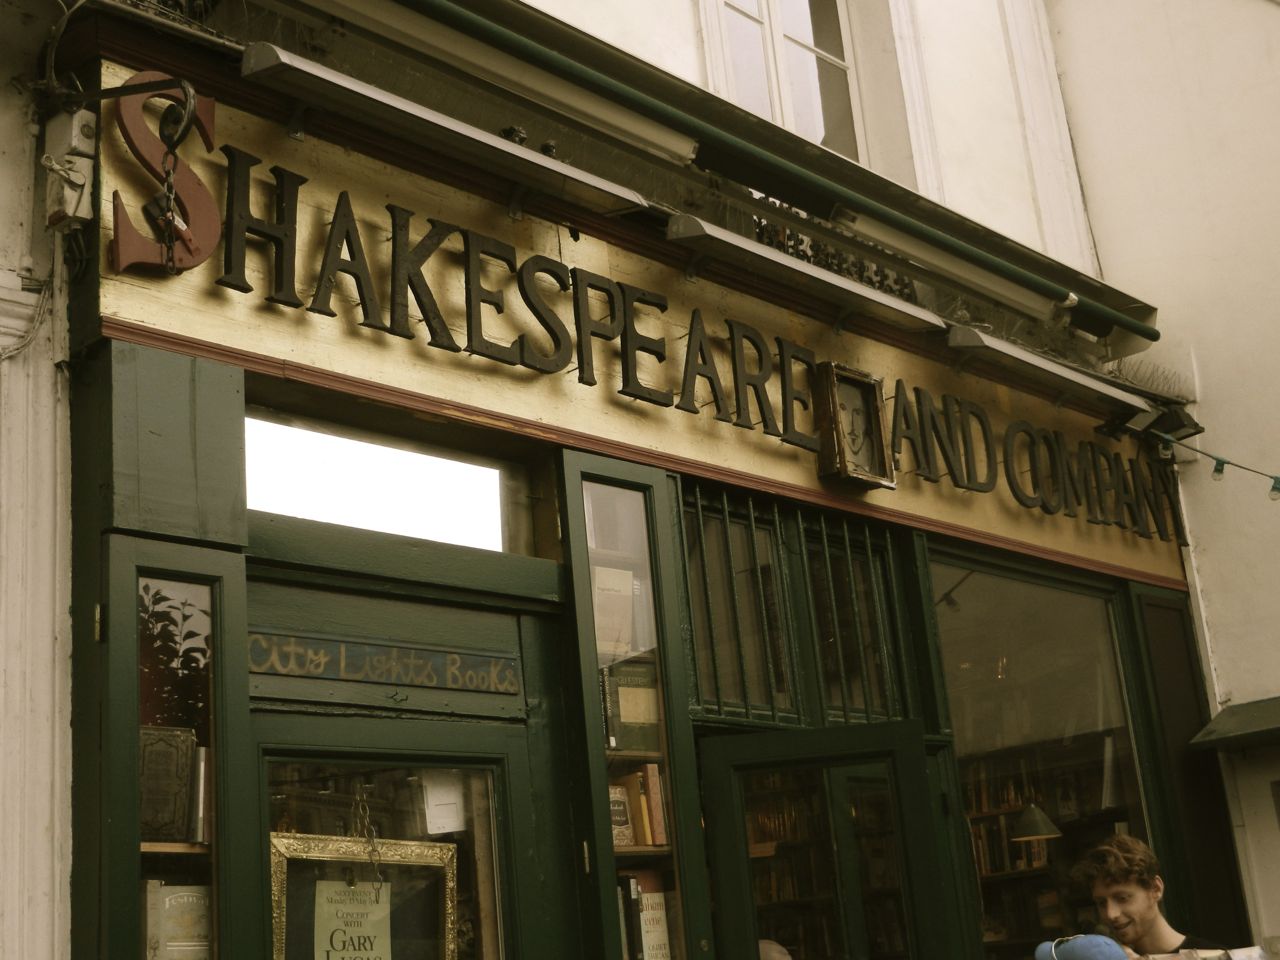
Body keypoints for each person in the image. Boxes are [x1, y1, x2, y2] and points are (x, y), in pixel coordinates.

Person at [1070, 835, 1226, 956]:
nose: (1111, 914)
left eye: (1122, 898)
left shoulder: (1215, 956)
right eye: (1101, 903)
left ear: (1155, 889)